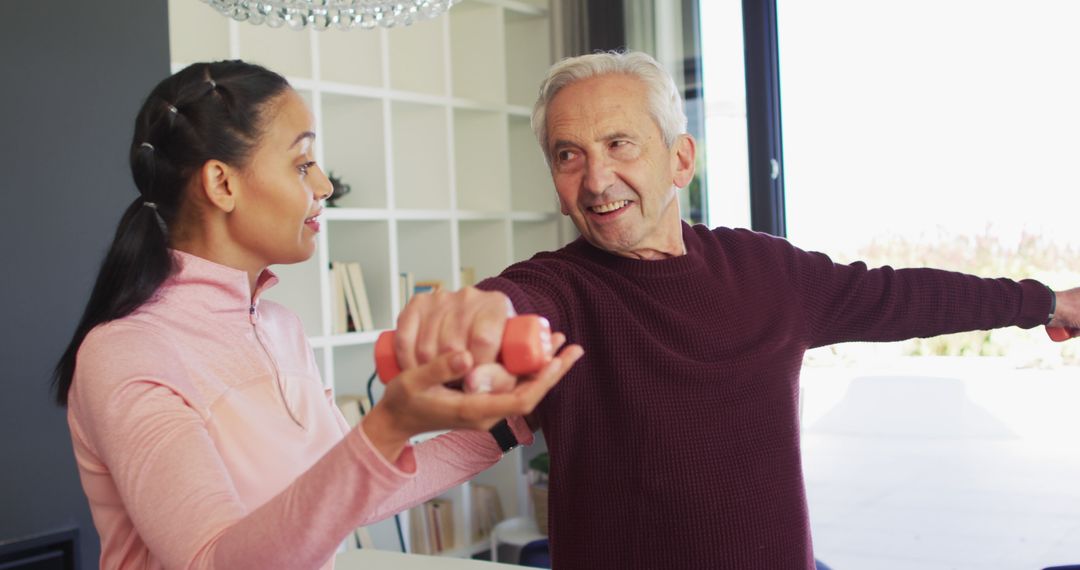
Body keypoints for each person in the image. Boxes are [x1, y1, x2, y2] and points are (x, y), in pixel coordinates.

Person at [390, 50, 1080, 569]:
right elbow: (512, 308)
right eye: (568, 155)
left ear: (680, 159)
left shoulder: (767, 271)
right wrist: (477, 318)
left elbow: (903, 297)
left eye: (619, 144)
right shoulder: (558, 288)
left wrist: (1048, 301)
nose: (596, 180)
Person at [51, 60, 583, 570]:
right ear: (222, 184)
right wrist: (389, 424)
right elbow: (211, 561)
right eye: (303, 164)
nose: (325, 186)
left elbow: (352, 494)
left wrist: (510, 424)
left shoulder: (280, 328)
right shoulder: (127, 352)